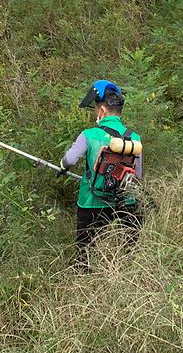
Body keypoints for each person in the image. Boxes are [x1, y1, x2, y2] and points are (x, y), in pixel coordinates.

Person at [60, 79, 143, 265]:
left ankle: (83, 277)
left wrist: (62, 167)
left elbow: (69, 160)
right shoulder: (134, 137)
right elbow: (138, 175)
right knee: (129, 253)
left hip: (92, 204)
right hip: (126, 204)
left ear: (102, 111)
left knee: (86, 253)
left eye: (96, 110)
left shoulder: (89, 135)